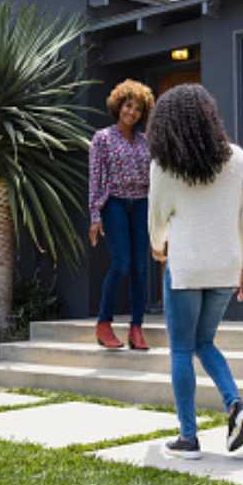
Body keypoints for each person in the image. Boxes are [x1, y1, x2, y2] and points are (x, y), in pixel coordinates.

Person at [147, 83, 243, 460]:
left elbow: (156, 222)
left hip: (186, 268)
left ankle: (188, 437)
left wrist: (159, 249)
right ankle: (235, 404)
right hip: (226, 266)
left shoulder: (164, 167)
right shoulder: (238, 159)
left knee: (181, 347)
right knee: (204, 342)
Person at [89, 79, 155, 350]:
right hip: (114, 202)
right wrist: (95, 215)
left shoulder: (145, 141)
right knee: (122, 263)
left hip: (141, 203)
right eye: (129, 106)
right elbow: (95, 177)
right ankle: (104, 323)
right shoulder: (102, 138)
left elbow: (154, 175)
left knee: (141, 267)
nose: (132, 112)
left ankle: (136, 328)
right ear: (119, 106)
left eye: (138, 109)